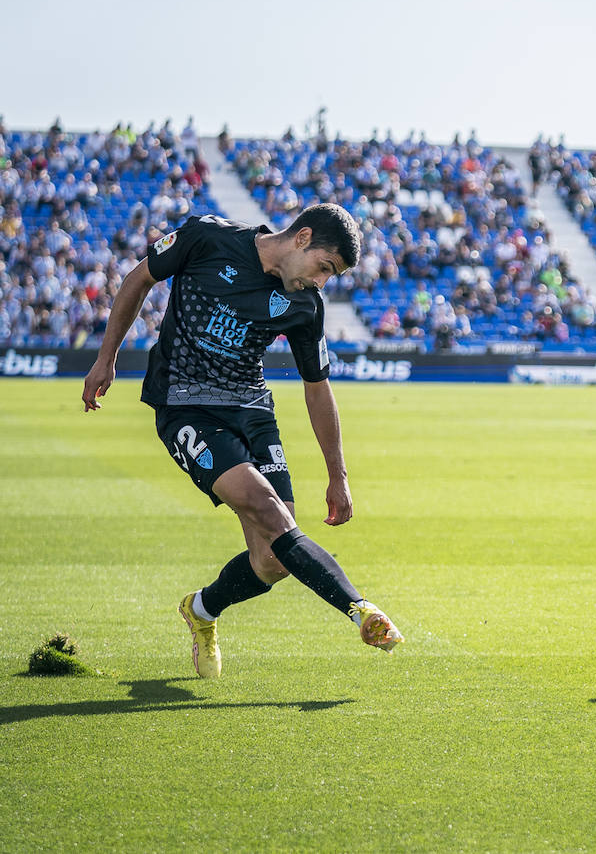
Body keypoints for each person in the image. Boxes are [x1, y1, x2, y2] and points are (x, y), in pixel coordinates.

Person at [81, 204, 403, 678]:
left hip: (252, 412)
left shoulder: (304, 305)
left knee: (273, 560)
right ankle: (361, 610)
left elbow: (318, 386)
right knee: (268, 510)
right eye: (324, 267)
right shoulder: (207, 238)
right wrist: (106, 358)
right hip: (185, 405)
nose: (321, 282)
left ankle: (202, 610)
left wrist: (339, 476)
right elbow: (138, 279)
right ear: (301, 237)